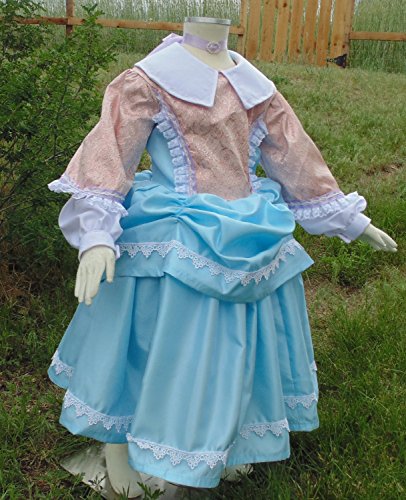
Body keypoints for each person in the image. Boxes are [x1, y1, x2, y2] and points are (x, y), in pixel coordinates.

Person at [47, 16, 397, 497]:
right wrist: (97, 236)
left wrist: (351, 221)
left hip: (249, 231)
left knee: (239, 349)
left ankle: (225, 437)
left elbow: (296, 159)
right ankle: (120, 452)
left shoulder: (256, 88)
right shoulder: (148, 80)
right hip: (175, 232)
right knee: (149, 347)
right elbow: (109, 155)